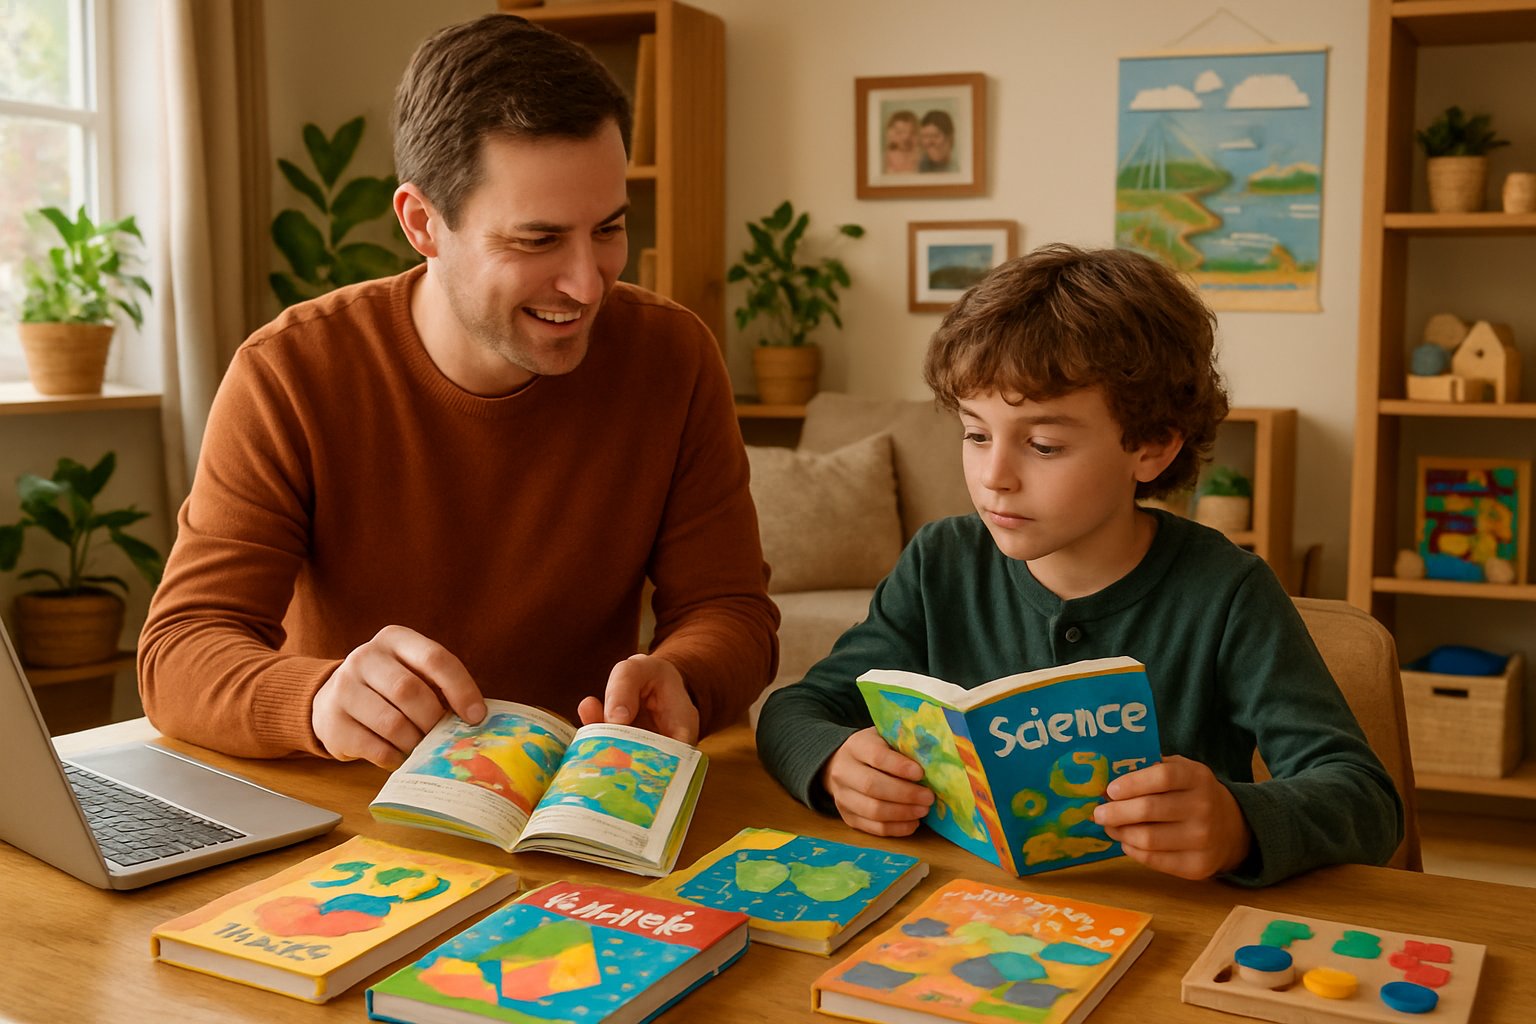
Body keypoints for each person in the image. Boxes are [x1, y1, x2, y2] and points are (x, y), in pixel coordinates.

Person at [138, 14, 779, 767]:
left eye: (608, 227)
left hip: (578, 805)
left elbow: (729, 609)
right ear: (422, 224)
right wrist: (316, 701)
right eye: (537, 240)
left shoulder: (674, 356)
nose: (586, 281)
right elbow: (178, 651)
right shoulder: (291, 373)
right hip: (355, 813)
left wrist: (685, 674)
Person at [755, 244, 1401, 887]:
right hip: (967, 923)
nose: (993, 476)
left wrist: (1237, 824)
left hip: (1169, 935)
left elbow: (1365, 800)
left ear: (1150, 447)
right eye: (976, 433)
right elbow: (794, 709)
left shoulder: (1227, 591)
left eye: (1042, 444)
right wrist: (833, 761)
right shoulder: (938, 564)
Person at [882, 109, 919, 174]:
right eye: (899, 132)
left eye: (911, 133)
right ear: (890, 134)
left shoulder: (918, 155)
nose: (905, 137)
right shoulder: (887, 156)